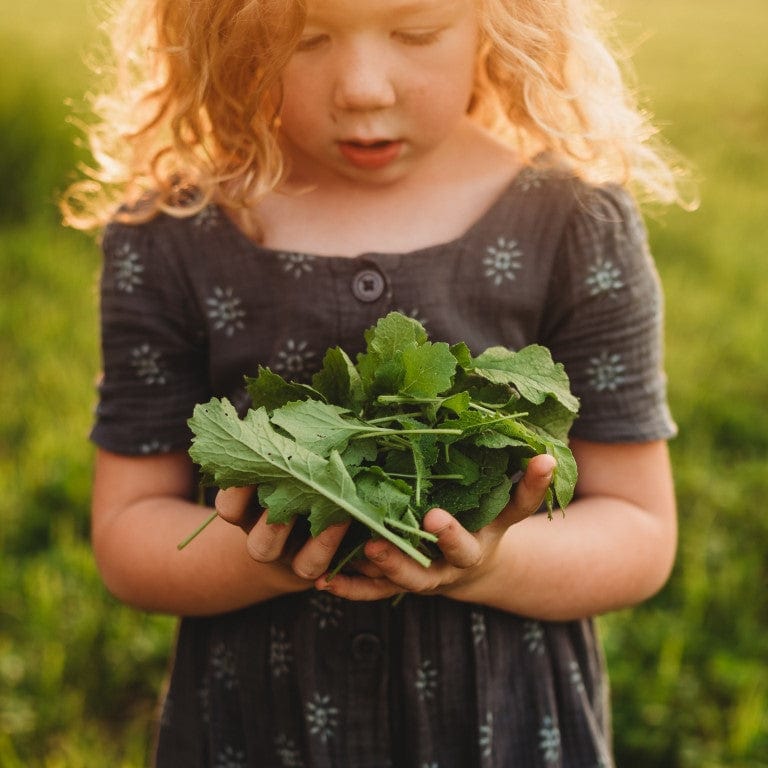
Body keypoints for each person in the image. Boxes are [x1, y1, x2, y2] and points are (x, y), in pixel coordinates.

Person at [64, 0, 687, 765]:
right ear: (227, 31)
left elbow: (639, 528)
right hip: (262, 720)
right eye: (306, 39)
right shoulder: (172, 234)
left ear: (503, 21)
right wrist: (266, 555)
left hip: (498, 724)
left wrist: (490, 563)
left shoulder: (573, 222)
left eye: (416, 33)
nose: (362, 88)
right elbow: (127, 533)